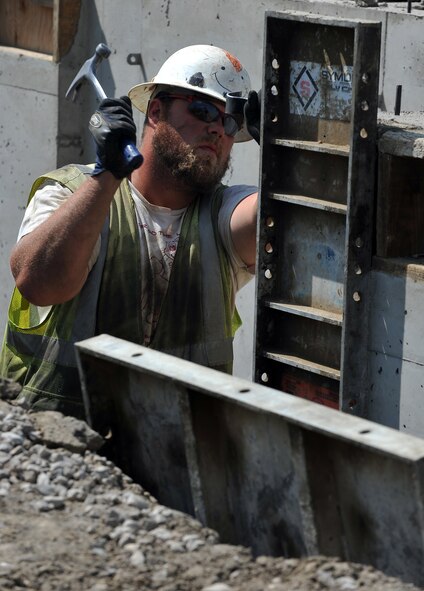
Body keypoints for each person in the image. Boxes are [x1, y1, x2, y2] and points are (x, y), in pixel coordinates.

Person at [0, 44, 260, 419]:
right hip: (65, 447)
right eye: (203, 110)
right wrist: (109, 172)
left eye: (230, 122)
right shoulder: (72, 193)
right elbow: (39, 282)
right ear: (156, 111)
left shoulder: (224, 215)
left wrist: (281, 148)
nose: (217, 129)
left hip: (179, 457)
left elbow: (280, 225)